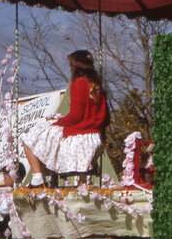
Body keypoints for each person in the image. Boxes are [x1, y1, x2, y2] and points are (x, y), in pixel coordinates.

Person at [22, 50, 109, 186]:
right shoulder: (98, 87)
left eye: (70, 65)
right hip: (95, 136)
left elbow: (75, 116)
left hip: (81, 135)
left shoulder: (79, 84)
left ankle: (38, 178)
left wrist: (56, 122)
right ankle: (45, 178)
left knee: (30, 137)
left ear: (76, 67)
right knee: (44, 137)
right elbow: (106, 119)